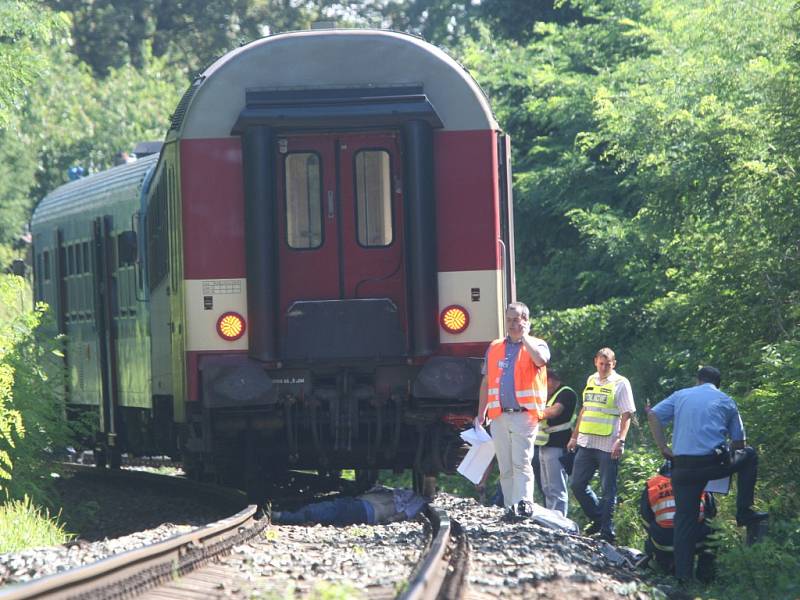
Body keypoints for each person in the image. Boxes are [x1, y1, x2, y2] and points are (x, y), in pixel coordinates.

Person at [648, 366, 767, 581]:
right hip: (713, 464)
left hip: (682, 468)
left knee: (685, 521)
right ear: (717, 384)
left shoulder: (680, 395)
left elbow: (653, 414)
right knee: (749, 455)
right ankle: (744, 511)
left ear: (698, 380)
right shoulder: (725, 400)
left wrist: (663, 447)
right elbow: (740, 443)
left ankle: (683, 579)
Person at [475, 302, 550, 519]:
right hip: (499, 415)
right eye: (509, 320)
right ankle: (511, 509)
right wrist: (481, 412)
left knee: (522, 462)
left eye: (517, 319)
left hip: (524, 414)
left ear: (526, 321)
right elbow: (487, 381)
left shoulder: (537, 344)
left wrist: (524, 338)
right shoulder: (496, 347)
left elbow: (541, 360)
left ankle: (524, 507)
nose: (513, 324)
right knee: (505, 466)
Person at [567, 347, 635, 543]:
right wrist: (574, 436)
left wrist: (621, 440)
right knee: (577, 484)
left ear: (614, 364)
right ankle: (598, 518)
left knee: (608, 489)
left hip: (608, 442)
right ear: (595, 361)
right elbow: (585, 409)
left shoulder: (621, 383)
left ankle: (607, 531)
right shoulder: (591, 379)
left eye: (608, 364)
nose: (604, 367)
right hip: (586, 441)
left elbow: (627, 414)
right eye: (601, 363)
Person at [640, 461, 716, 580]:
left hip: (663, 544)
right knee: (714, 530)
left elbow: (646, 519)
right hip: (695, 542)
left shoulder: (652, 485)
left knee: (653, 531)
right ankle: (705, 575)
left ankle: (665, 565)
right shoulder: (698, 481)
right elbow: (711, 513)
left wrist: (657, 534)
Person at [533, 368, 577, 517]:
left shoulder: (566, 393)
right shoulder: (551, 395)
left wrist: (534, 413)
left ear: (551, 380)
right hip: (544, 445)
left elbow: (555, 411)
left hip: (558, 445)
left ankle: (559, 519)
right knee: (547, 486)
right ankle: (551, 517)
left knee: (556, 486)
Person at [271, 486, 428, 525]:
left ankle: (283, 517)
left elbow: (404, 514)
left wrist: (387, 521)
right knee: (330, 511)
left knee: (325, 510)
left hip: (365, 510)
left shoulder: (419, 500)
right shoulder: (411, 494)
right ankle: (288, 515)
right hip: (362, 507)